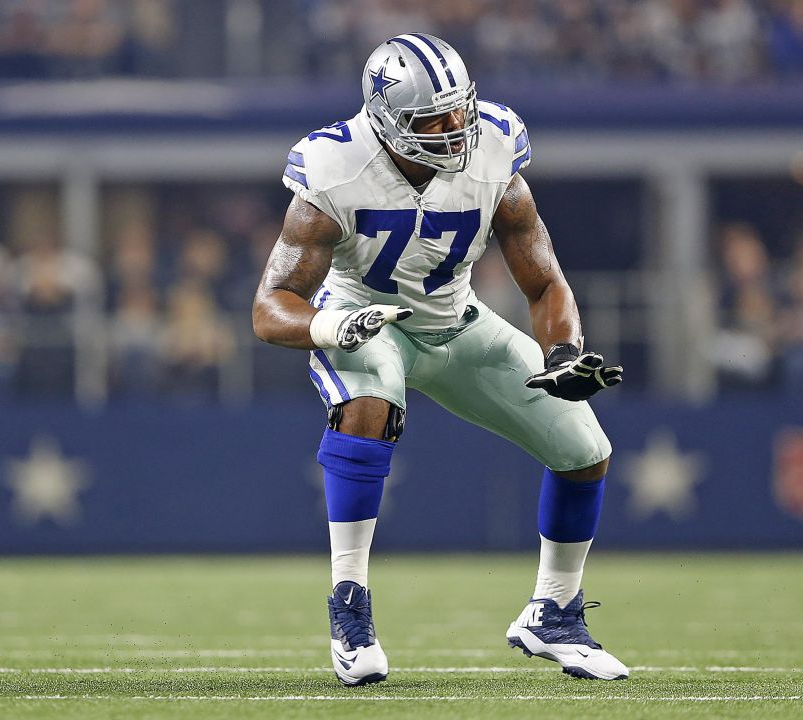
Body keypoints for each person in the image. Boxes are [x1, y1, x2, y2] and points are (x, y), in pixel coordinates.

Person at [251, 34, 627, 686]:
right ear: (387, 122)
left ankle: (555, 613)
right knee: (369, 403)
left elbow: (544, 284)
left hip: (458, 323)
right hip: (368, 321)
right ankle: (350, 604)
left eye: (460, 111)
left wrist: (563, 353)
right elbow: (270, 307)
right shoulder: (335, 166)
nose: (455, 130)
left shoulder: (495, 149)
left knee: (584, 447)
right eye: (434, 120)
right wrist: (335, 325)